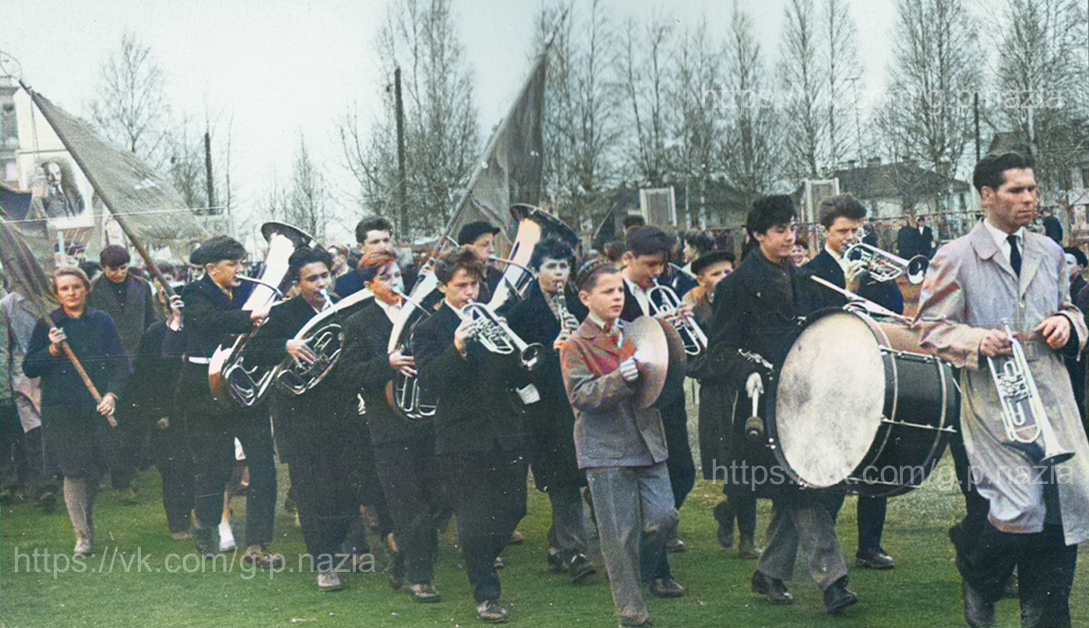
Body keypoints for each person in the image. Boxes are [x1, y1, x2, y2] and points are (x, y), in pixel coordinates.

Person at [915, 151, 1089, 628]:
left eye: (1033, 189)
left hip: (1052, 393)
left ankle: (1045, 617)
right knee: (1020, 508)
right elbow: (929, 329)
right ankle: (977, 567)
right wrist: (976, 340)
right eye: (1017, 190)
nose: (1029, 198)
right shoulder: (954, 256)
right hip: (993, 398)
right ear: (987, 196)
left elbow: (1072, 310)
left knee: (1071, 500)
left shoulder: (1049, 251)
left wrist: (1066, 324)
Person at [704, 195, 858, 614]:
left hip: (809, 402)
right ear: (757, 235)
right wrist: (746, 372)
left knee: (800, 489)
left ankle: (770, 573)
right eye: (780, 230)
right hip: (765, 406)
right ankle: (833, 581)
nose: (791, 237)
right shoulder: (735, 287)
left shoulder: (806, 279)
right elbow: (719, 352)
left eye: (793, 228)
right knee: (802, 491)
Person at [560, 259, 677, 628]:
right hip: (605, 449)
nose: (617, 297)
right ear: (585, 298)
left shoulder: (638, 331)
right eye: (608, 291)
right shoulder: (575, 344)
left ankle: (634, 576)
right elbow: (580, 396)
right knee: (619, 538)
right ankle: (632, 614)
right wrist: (619, 379)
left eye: (620, 290)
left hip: (647, 443)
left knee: (664, 518)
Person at [413, 247, 526, 623]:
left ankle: (479, 559)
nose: (470, 293)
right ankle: (486, 594)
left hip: (505, 431)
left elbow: (516, 373)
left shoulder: (493, 318)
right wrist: (457, 348)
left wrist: (516, 350)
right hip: (460, 438)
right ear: (443, 286)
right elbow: (429, 384)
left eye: (475, 284)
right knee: (475, 520)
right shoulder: (428, 329)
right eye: (462, 285)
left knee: (514, 509)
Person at [804, 194, 902, 570]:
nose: (851, 238)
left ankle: (870, 546)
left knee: (876, 458)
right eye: (843, 231)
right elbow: (812, 321)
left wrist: (878, 279)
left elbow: (894, 308)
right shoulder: (810, 272)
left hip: (869, 367)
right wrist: (848, 286)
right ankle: (824, 548)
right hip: (831, 374)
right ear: (825, 232)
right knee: (834, 463)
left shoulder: (873, 266)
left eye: (856, 230)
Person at [340, 250, 445, 602]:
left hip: (428, 421)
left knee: (439, 497)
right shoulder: (359, 322)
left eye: (397, 275)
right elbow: (348, 374)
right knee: (408, 504)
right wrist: (387, 363)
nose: (394, 282)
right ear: (370, 286)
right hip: (389, 428)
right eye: (385, 277)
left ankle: (400, 545)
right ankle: (421, 577)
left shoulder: (422, 316)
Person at [176, 236, 281, 567]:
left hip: (245, 388)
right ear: (211, 269)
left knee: (263, 467)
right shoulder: (193, 294)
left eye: (241, 263)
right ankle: (206, 526)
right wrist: (250, 317)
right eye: (232, 264)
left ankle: (258, 544)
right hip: (205, 392)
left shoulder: (249, 290)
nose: (240, 270)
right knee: (215, 467)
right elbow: (209, 320)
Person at [504, 237, 596, 582]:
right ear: (536, 271)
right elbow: (513, 368)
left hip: (581, 402)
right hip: (545, 407)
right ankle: (575, 552)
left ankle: (560, 546)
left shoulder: (579, 306)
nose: (559, 273)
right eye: (551, 266)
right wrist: (550, 351)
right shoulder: (520, 313)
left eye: (563, 266)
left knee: (578, 476)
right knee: (563, 479)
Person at [23, 267, 128, 556]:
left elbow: (121, 363)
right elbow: (29, 367)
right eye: (64, 288)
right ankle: (81, 535)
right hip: (62, 409)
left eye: (76, 287)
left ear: (86, 289)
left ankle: (87, 524)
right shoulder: (48, 325)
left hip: (96, 407)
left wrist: (112, 394)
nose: (71, 293)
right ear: (57, 294)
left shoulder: (102, 321)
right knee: (73, 471)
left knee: (93, 470)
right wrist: (52, 351)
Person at [618, 226, 691, 592]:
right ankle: (658, 570)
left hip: (668, 397)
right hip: (633, 400)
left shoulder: (663, 290)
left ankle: (646, 550)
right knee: (647, 482)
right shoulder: (612, 293)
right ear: (627, 258)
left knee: (684, 473)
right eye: (649, 264)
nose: (657, 272)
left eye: (662, 265)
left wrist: (675, 330)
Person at [87, 244, 160, 503]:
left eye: (123, 268)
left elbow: (151, 322)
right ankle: (119, 479)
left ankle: (127, 474)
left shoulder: (142, 287)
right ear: (103, 268)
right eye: (112, 269)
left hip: (138, 364)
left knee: (137, 424)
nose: (118, 274)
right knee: (110, 426)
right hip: (106, 366)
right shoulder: (92, 290)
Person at [1, 287, 59, 511]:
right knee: (34, 433)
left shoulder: (52, 295)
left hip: (52, 371)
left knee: (53, 430)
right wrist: (5, 386)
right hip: (24, 377)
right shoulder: (8, 305)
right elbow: (4, 347)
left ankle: (56, 481)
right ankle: (44, 486)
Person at [334, 217, 397, 297]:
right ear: (361, 247)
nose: (383, 246)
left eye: (386, 240)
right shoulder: (346, 283)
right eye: (375, 242)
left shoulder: (406, 276)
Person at [457, 221, 503, 302]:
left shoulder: (497, 275)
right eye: (485, 244)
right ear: (467, 248)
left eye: (493, 244)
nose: (492, 250)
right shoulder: (458, 277)